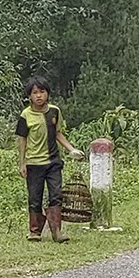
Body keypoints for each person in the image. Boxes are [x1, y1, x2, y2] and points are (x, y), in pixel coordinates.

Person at [15, 76, 84, 243]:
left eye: (42, 92)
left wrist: (72, 149)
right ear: (29, 96)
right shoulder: (26, 115)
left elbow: (58, 133)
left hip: (53, 161)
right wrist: (22, 162)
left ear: (47, 93)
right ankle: (35, 231)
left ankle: (56, 231)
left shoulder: (54, 111)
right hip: (34, 163)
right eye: (35, 93)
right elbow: (22, 139)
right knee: (34, 197)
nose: (39, 96)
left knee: (56, 194)